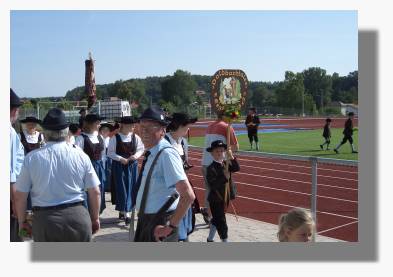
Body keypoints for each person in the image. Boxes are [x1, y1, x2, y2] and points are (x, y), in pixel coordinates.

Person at [14, 108, 101, 241]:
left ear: (45, 133)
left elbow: (20, 195)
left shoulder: (31, 158)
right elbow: (95, 192)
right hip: (77, 217)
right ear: (66, 132)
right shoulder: (80, 155)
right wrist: (95, 218)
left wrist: (22, 222)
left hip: (45, 220)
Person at [134, 107, 195, 242]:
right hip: (147, 220)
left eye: (151, 126)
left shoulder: (166, 154)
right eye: (142, 125)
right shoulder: (152, 152)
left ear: (163, 130)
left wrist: (170, 226)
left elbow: (188, 196)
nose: (144, 130)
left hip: (160, 222)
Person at [165, 112, 200, 242]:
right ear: (179, 126)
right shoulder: (165, 142)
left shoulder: (183, 142)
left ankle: (183, 236)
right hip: (170, 187)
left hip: (182, 184)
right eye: (187, 126)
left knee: (185, 212)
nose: (189, 129)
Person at [201, 112, 239, 224]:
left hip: (205, 162)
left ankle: (208, 213)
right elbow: (235, 147)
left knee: (210, 190)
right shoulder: (227, 127)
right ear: (225, 116)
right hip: (219, 163)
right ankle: (216, 217)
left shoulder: (209, 126)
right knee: (221, 191)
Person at [107, 116, 144, 225]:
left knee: (132, 188)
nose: (133, 127)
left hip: (132, 166)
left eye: (133, 125)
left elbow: (141, 149)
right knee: (122, 189)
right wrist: (120, 159)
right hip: (120, 167)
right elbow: (110, 153)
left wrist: (135, 156)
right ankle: (124, 211)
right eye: (131, 125)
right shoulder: (115, 138)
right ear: (123, 125)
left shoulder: (135, 137)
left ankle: (126, 211)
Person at [205, 140, 240, 242]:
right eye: (217, 151)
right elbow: (213, 185)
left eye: (221, 151)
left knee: (216, 219)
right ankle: (225, 240)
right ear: (212, 153)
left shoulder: (226, 163)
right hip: (216, 199)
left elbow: (237, 168)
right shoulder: (211, 168)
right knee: (221, 221)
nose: (220, 153)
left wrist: (231, 157)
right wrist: (224, 177)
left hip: (226, 197)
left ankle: (209, 239)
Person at [75, 114, 106, 214]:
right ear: (90, 124)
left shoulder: (100, 137)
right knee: (89, 191)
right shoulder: (81, 138)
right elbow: (77, 156)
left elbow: (103, 154)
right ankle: (88, 213)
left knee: (99, 190)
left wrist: (103, 168)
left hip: (99, 167)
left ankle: (96, 213)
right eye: (97, 123)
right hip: (87, 169)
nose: (99, 125)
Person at [10, 89, 25, 242]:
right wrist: (15, 202)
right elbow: (9, 173)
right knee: (15, 236)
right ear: (14, 110)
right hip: (11, 195)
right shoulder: (9, 132)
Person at [99, 122, 113, 192]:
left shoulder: (110, 139)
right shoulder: (98, 139)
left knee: (108, 173)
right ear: (101, 131)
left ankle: (108, 187)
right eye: (104, 130)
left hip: (108, 160)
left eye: (107, 130)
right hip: (100, 159)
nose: (106, 132)